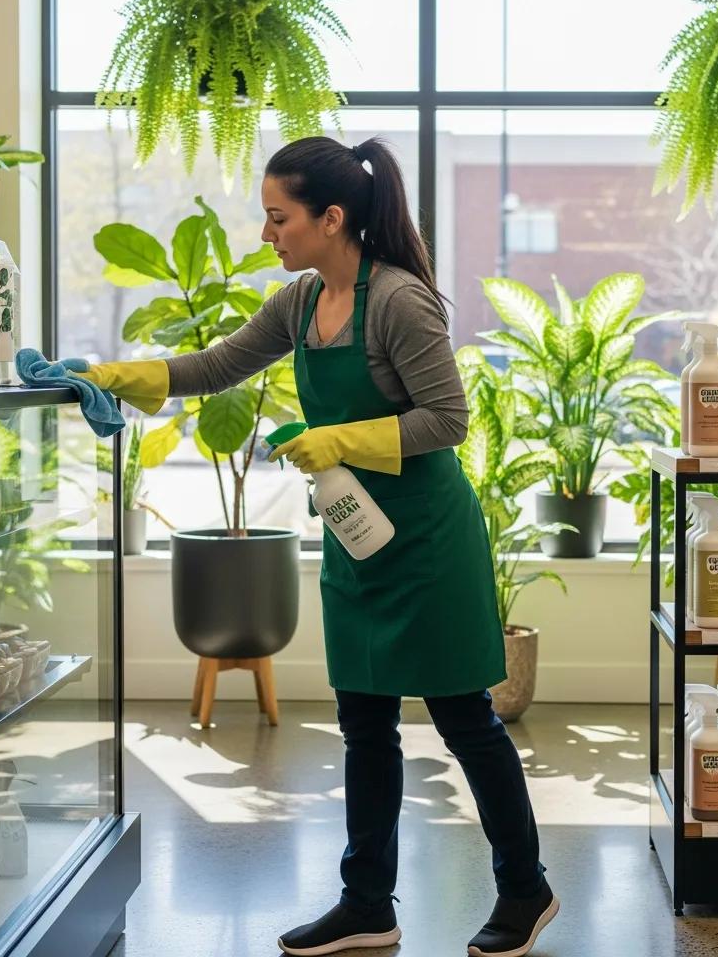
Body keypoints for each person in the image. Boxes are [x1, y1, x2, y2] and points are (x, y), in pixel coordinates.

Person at [68, 136, 559, 957]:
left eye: (278, 217)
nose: (268, 233)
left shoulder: (400, 301)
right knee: (363, 724)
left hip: (429, 540)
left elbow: (448, 421)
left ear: (332, 219)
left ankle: (527, 888)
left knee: (464, 720)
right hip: (357, 538)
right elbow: (219, 364)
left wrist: (336, 441)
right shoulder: (299, 302)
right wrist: (123, 375)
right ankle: (368, 904)